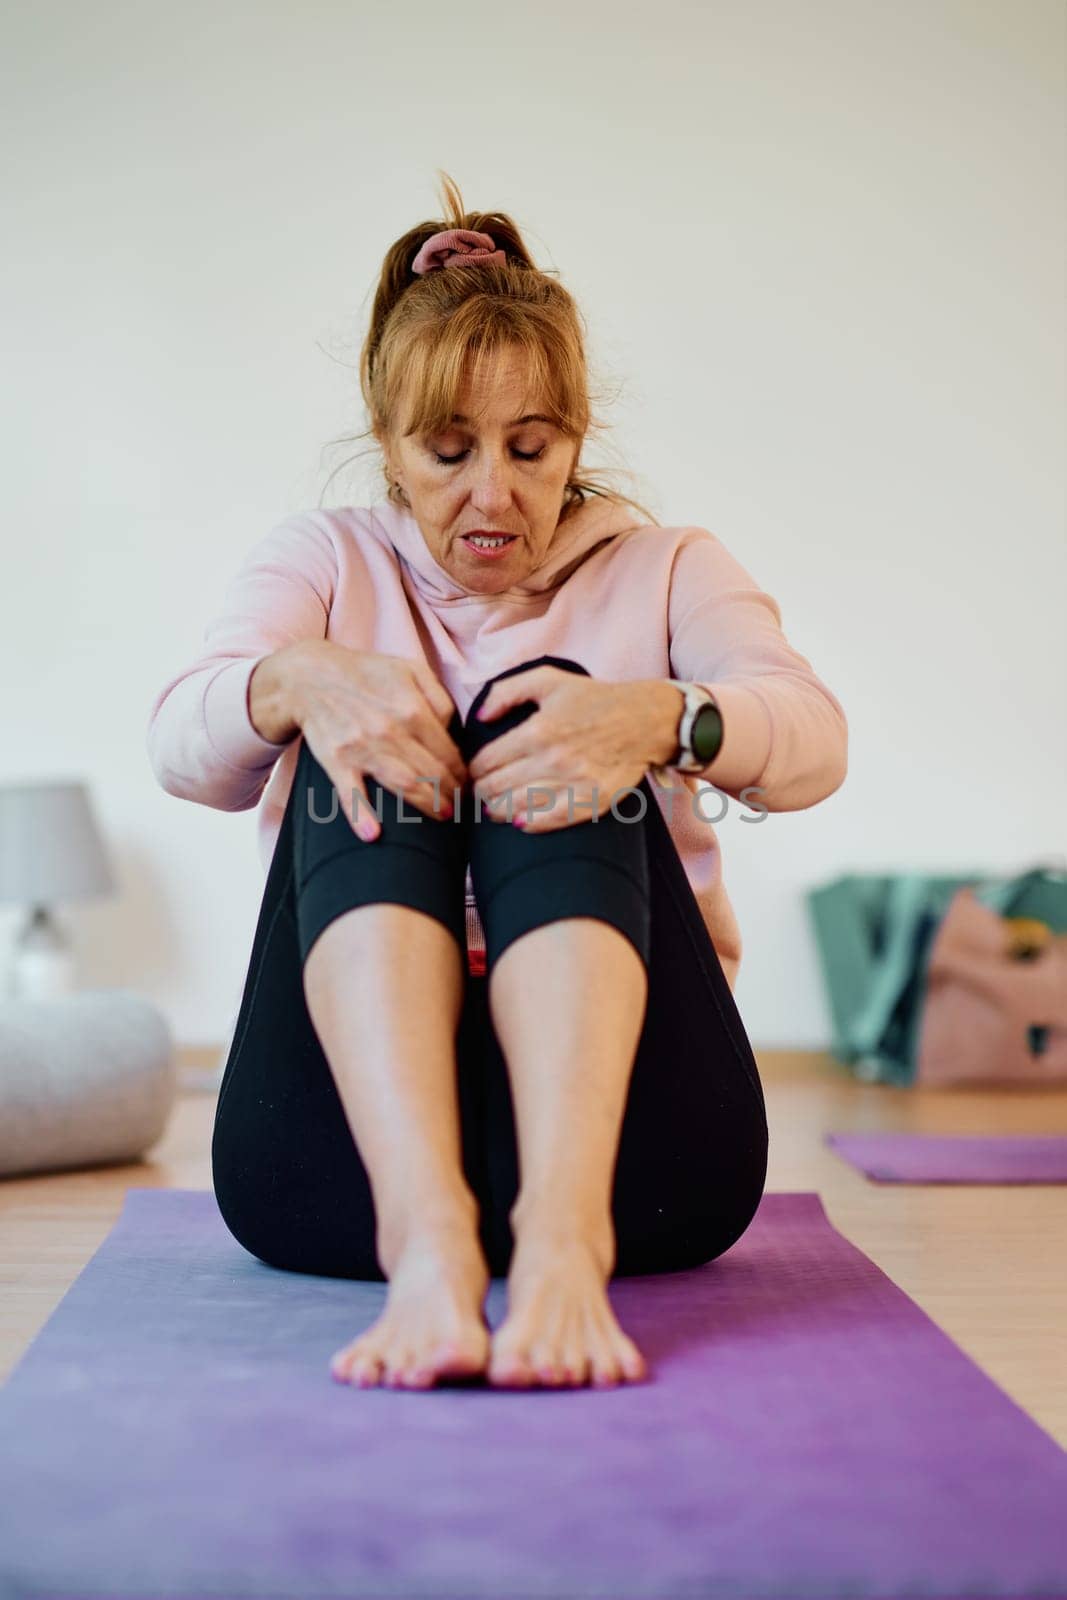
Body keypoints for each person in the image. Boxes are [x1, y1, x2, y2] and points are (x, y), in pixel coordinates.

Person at [145, 176, 848, 1395]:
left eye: (530, 450)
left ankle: (560, 1253)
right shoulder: (320, 560)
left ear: (576, 439)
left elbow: (814, 740)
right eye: (448, 450)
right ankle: (429, 1248)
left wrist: (658, 714)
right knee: (345, 717)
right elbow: (178, 743)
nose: (493, 494)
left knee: (562, 708)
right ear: (387, 448)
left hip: (642, 1165)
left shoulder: (667, 565)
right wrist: (300, 680)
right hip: (332, 1172)